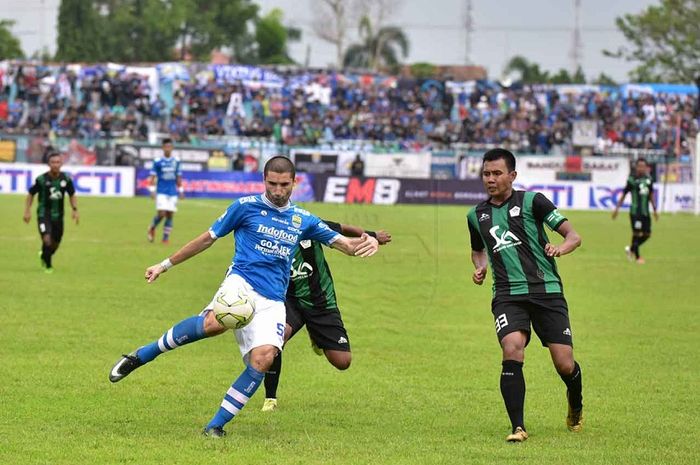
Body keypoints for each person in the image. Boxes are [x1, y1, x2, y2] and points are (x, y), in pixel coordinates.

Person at [109, 156, 379, 438]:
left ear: (294, 183)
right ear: (264, 180)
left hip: (273, 299)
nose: (277, 190)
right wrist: (164, 265)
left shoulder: (303, 219)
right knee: (213, 325)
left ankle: (215, 426)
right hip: (241, 282)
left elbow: (345, 245)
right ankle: (141, 356)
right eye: (272, 183)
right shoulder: (245, 207)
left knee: (264, 359)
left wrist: (365, 242)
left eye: (284, 184)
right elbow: (207, 238)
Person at [466, 148, 583, 443]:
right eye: (486, 174)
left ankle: (576, 401)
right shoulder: (476, 214)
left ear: (512, 175)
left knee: (564, 364)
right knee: (512, 348)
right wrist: (480, 268)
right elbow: (478, 249)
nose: (490, 179)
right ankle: (518, 426)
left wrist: (560, 248)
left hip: (547, 292)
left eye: (497, 173)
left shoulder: (534, 202)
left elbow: (573, 236)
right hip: (507, 294)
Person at [261, 222, 392, 412]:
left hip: (321, 303)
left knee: (342, 362)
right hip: (290, 301)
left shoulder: (308, 224)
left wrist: (370, 234)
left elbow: (341, 228)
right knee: (276, 340)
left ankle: (316, 336)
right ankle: (270, 398)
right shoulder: (269, 235)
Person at [23, 151, 79, 273]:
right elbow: (31, 194)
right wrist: (27, 211)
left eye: (58, 162)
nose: (55, 164)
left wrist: (75, 210)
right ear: (48, 164)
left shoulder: (66, 179)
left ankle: (44, 255)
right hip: (44, 214)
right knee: (47, 239)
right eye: (53, 162)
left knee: (55, 243)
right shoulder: (41, 179)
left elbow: (72, 195)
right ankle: (48, 266)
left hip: (59, 216)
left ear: (62, 163)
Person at [611, 158, 658, 264]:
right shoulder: (631, 180)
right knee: (636, 233)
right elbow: (624, 194)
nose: (641, 168)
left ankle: (631, 249)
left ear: (646, 167)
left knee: (647, 234)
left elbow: (651, 195)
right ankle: (637, 257)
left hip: (645, 212)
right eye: (639, 166)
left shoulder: (649, 180)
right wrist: (617, 209)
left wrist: (655, 210)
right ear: (636, 167)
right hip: (635, 212)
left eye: (643, 166)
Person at [146, 138, 183, 244]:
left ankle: (165, 238)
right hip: (161, 191)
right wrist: (152, 190)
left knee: (170, 214)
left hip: (172, 191)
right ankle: (152, 227)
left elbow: (178, 176)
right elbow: (152, 176)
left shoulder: (176, 161)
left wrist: (180, 190)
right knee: (162, 213)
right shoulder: (158, 161)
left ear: (172, 148)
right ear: (162, 148)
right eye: (166, 146)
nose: (168, 148)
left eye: (169, 146)